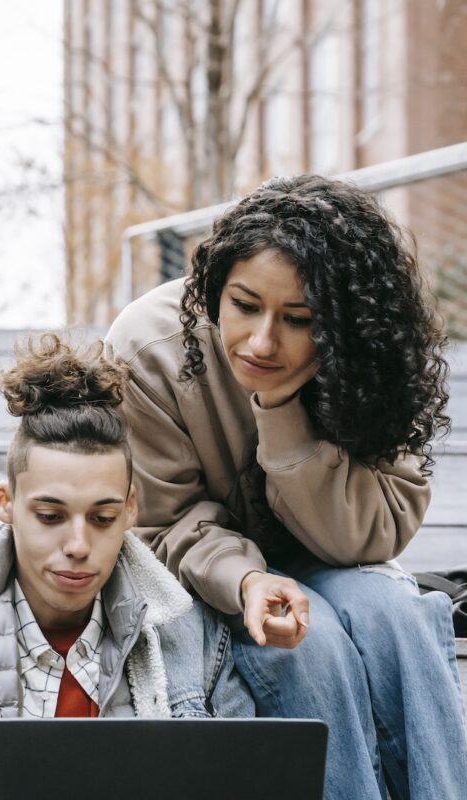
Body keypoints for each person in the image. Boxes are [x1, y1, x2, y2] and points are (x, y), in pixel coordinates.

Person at [107, 174, 467, 800]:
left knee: (392, 616)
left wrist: (279, 410)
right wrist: (248, 579)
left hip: (337, 560)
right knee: (307, 641)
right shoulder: (147, 348)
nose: (262, 341)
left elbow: (374, 534)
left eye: (298, 320)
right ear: (214, 289)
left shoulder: (370, 354)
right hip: (210, 582)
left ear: (341, 326)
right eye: (244, 306)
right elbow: (158, 524)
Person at [0, 335, 251, 800]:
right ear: (6, 504)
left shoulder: (195, 638)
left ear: (132, 510)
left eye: (102, 518)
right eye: (51, 516)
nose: (78, 545)